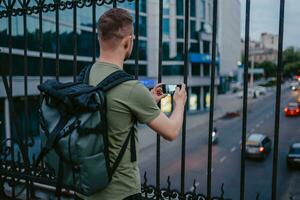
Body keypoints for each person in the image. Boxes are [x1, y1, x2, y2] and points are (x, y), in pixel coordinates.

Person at [77, 8, 187, 200]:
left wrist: (148, 101)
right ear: (128, 42)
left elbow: (111, 114)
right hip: (121, 193)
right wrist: (180, 103)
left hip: (84, 190)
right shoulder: (130, 87)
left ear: (99, 38)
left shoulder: (83, 76)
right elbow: (171, 131)